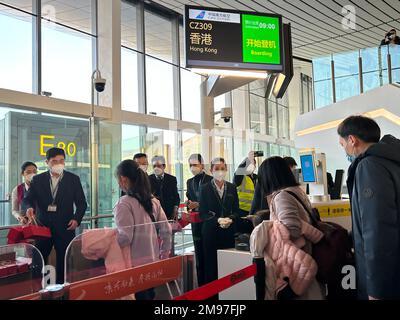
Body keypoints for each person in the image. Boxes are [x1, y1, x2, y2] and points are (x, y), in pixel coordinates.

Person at [338, 115, 400, 300]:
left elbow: (378, 229)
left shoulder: (369, 166)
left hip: (385, 280)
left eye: (342, 145)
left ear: (352, 140)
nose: (345, 150)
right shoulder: (392, 161)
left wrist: (376, 289)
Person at [257, 156, 325, 300]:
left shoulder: (282, 196)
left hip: (296, 261)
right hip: (306, 254)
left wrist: (272, 228)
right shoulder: (296, 191)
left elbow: (291, 228)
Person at [24, 148, 88, 284]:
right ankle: (38, 288)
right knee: (39, 259)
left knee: (63, 261)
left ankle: (61, 290)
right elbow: (27, 199)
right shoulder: (38, 179)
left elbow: (82, 203)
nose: (59, 164)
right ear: (47, 162)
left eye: (61, 161)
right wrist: (29, 207)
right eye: (54, 161)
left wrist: (76, 219)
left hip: (65, 227)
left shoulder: (73, 179)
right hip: (43, 227)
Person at [114, 159, 172, 300]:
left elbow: (125, 238)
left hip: (133, 266)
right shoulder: (153, 201)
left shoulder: (124, 203)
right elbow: (167, 230)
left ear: (123, 179)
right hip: (152, 263)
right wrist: (163, 255)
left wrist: (108, 241)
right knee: (149, 295)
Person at [199, 158, 240, 289]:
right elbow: (203, 213)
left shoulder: (232, 187)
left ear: (226, 170)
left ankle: (227, 292)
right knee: (211, 266)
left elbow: (237, 210)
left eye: (222, 168)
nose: (220, 171)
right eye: (216, 169)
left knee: (228, 264)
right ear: (211, 170)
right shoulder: (204, 188)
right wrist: (217, 220)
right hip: (211, 233)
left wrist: (231, 219)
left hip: (228, 232)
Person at [185, 154, 213, 287]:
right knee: (198, 253)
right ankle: (201, 284)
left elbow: (214, 203)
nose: (192, 167)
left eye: (195, 164)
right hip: (195, 222)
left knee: (208, 252)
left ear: (202, 165)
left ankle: (210, 282)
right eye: (190, 165)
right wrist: (188, 204)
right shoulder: (189, 182)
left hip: (208, 222)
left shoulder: (211, 180)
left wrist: (199, 204)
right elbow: (189, 199)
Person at [149, 156, 180, 220]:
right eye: (154, 166)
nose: (156, 168)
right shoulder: (148, 179)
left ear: (164, 166)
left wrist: (175, 208)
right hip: (154, 214)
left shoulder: (172, 179)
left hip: (170, 213)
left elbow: (176, 196)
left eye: (159, 166)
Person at [233, 152, 258, 233]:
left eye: (253, 164)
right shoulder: (239, 177)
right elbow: (239, 170)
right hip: (241, 211)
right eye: (249, 164)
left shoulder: (257, 177)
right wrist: (248, 159)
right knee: (243, 235)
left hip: (254, 211)